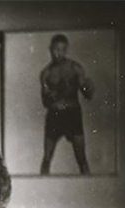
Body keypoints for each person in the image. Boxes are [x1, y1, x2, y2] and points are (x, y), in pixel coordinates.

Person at [40, 33, 94, 175]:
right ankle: (41, 191)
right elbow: (45, 102)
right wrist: (52, 99)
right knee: (47, 158)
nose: (59, 53)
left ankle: (89, 189)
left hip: (72, 114)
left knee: (81, 158)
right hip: (55, 115)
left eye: (62, 49)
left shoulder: (75, 68)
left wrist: (89, 88)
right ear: (51, 49)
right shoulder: (46, 73)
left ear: (66, 50)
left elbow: (87, 95)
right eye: (56, 49)